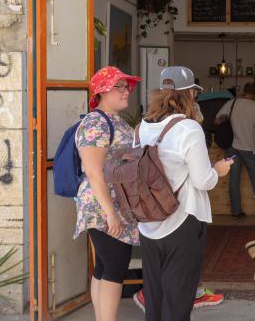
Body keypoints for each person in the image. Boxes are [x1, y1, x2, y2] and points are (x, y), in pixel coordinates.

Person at [136, 66, 233, 321]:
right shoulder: (189, 128)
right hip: (182, 220)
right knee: (178, 301)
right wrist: (218, 170)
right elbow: (203, 180)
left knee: (154, 296)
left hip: (148, 222)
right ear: (189, 94)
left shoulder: (142, 127)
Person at [74, 66, 141, 321]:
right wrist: (110, 213)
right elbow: (93, 171)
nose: (127, 92)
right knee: (115, 265)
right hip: (103, 204)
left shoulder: (115, 120)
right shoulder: (95, 122)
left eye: (127, 87)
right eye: (120, 87)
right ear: (102, 91)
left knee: (104, 266)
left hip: (112, 202)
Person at [215, 82, 255, 218]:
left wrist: (230, 125)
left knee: (234, 179)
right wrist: (249, 131)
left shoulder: (232, 103)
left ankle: (237, 212)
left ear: (244, 91)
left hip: (232, 147)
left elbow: (217, 120)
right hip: (249, 147)